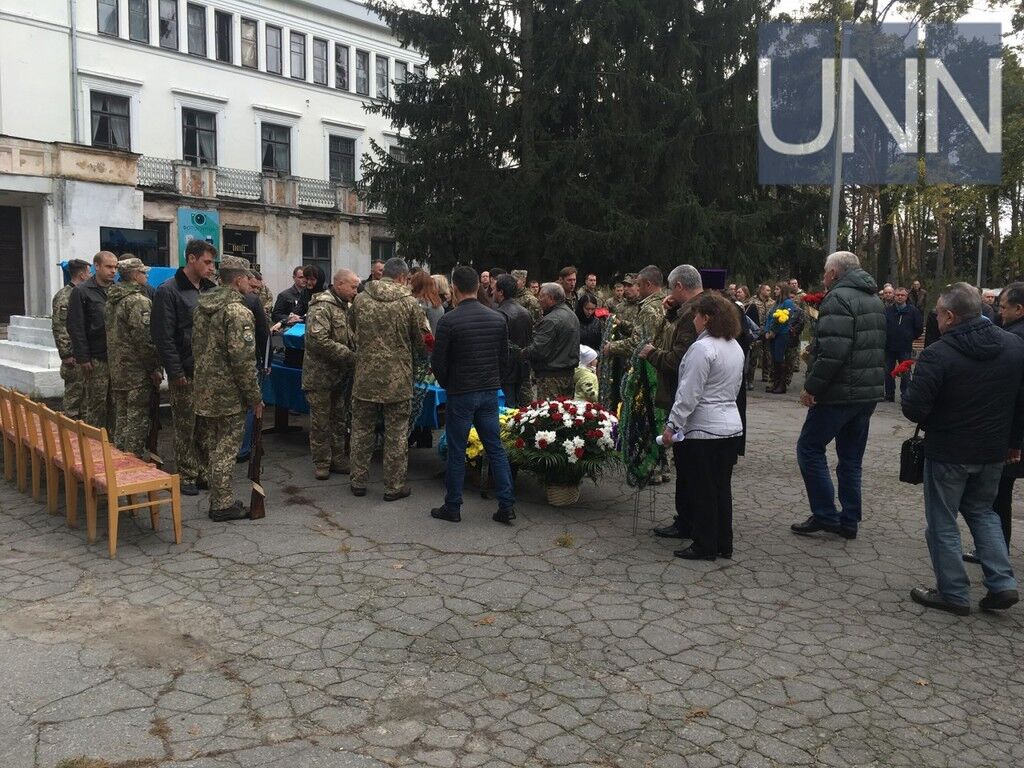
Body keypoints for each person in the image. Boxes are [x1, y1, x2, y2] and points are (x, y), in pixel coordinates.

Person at [901, 283, 1022, 615]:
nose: (937, 319)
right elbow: (1020, 401)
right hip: (993, 451)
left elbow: (914, 408)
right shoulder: (1014, 346)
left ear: (950, 316)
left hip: (949, 452)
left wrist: (914, 381)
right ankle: (1002, 583)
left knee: (942, 520)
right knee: (984, 513)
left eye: (938, 313)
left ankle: (953, 592)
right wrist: (1014, 442)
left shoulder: (938, 354)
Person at [791, 251, 885, 540]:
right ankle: (849, 520)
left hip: (839, 393)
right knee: (851, 459)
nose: (823, 276)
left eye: (824, 270)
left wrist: (811, 388)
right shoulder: (874, 298)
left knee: (809, 448)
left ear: (834, 272)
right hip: (866, 393)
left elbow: (833, 352)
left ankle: (825, 514)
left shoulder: (837, 298)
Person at [430, 266, 516, 524]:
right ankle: (507, 504)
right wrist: (493, 381)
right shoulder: (497, 318)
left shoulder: (449, 320)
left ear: (454, 288)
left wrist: (448, 383)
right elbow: (504, 358)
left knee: (457, 450)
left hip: (461, 392)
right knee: (495, 448)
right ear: (478, 286)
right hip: (489, 392)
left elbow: (438, 362)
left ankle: (453, 506)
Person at [663, 292, 745, 561]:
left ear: (707, 318)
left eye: (697, 315)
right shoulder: (734, 346)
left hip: (705, 429)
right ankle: (724, 541)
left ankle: (705, 544)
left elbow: (689, 393)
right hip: (730, 426)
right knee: (721, 488)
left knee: (702, 489)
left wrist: (673, 425)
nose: (694, 319)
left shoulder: (702, 348)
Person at [349, 257, 428, 501]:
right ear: (403, 277)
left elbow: (352, 329)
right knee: (396, 433)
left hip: (365, 375)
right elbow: (421, 341)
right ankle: (393, 486)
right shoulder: (409, 303)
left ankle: (358, 481)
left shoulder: (360, 298)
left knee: (361, 429)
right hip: (397, 377)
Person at [192, 256, 264, 522]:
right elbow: (243, 360)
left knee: (213, 446)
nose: (250, 283)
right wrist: (255, 397)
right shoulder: (238, 312)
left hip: (205, 387)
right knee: (227, 448)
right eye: (247, 278)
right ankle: (222, 504)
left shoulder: (202, 307)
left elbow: (196, 347)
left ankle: (218, 496)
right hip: (229, 393)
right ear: (238, 280)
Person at [963, 282, 1024, 563]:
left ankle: (995, 551)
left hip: (1009, 430)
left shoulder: (1014, 339)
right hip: (1011, 429)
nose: (999, 313)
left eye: (1002, 308)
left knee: (998, 494)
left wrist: (1013, 441)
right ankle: (996, 548)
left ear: (1018, 309)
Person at [152, 239, 217, 496]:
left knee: (205, 424)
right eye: (207, 262)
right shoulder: (168, 291)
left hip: (208, 370)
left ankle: (203, 471)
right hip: (185, 370)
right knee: (185, 425)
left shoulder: (210, 289)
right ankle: (187, 474)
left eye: (213, 263)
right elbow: (163, 336)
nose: (211, 268)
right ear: (192, 258)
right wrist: (175, 371)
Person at [640, 264, 701, 494]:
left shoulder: (691, 314)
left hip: (686, 396)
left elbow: (677, 360)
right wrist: (671, 312)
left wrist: (651, 353)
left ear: (679, 285)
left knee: (687, 467)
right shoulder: (695, 309)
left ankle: (685, 521)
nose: (669, 295)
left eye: (671, 289)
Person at [303, 269, 358, 480]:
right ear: (340, 284)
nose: (355, 291)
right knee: (320, 422)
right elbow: (318, 341)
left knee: (339, 419)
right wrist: (350, 356)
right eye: (353, 287)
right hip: (320, 377)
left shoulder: (345, 306)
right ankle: (322, 462)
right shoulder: (322, 306)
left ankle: (339, 458)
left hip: (339, 376)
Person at [105, 257, 162, 458]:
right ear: (135, 275)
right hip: (136, 372)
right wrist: (153, 368)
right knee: (136, 421)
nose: (146, 276)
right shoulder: (138, 301)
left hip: (118, 370)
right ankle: (131, 466)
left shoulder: (112, 299)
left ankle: (118, 461)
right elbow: (144, 340)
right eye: (143, 273)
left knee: (121, 419)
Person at [67, 251, 118, 430]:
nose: (113, 271)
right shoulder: (82, 292)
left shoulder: (117, 290)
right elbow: (76, 327)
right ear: (97, 266)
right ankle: (92, 447)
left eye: (115, 267)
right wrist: (83, 357)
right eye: (109, 267)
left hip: (116, 357)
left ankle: (111, 447)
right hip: (96, 358)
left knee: (116, 405)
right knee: (96, 405)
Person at [522, 283, 580, 399]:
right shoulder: (571, 315)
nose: (539, 300)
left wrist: (522, 353)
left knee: (549, 413)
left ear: (551, 298)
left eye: (542, 296)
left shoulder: (551, 320)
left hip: (550, 378)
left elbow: (539, 350)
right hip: (568, 374)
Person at [51, 259, 90, 419]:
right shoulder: (65, 296)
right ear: (81, 275)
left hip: (83, 353)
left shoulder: (81, 293)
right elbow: (60, 326)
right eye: (88, 272)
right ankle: (69, 434)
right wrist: (66, 354)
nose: (90, 275)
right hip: (73, 356)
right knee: (74, 397)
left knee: (86, 398)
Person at [603, 265, 664, 362]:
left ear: (648, 284)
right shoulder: (667, 303)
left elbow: (639, 343)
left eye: (639, 285)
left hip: (649, 365)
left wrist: (611, 347)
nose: (638, 289)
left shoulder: (649, 308)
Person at [494, 274, 532, 407]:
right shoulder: (526, 312)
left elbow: (500, 344)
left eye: (495, 289)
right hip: (522, 369)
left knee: (507, 410)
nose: (492, 292)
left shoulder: (500, 314)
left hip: (505, 372)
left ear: (501, 292)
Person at [883, 287, 924, 402]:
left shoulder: (913, 311)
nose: (900, 297)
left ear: (906, 297)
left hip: (905, 347)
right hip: (889, 346)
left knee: (905, 372)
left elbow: (918, 328)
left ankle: (905, 394)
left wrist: (910, 337)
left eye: (902, 295)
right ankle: (889, 394)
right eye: (897, 295)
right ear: (894, 296)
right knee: (888, 371)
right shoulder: (888, 311)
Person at [763, 281, 796, 394]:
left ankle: (781, 385)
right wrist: (767, 331)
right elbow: (770, 318)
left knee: (779, 359)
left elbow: (784, 320)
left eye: (777, 289)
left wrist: (774, 332)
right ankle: (775, 384)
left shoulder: (788, 303)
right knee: (774, 360)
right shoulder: (776, 303)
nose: (775, 291)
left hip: (781, 334)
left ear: (783, 290)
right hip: (772, 335)